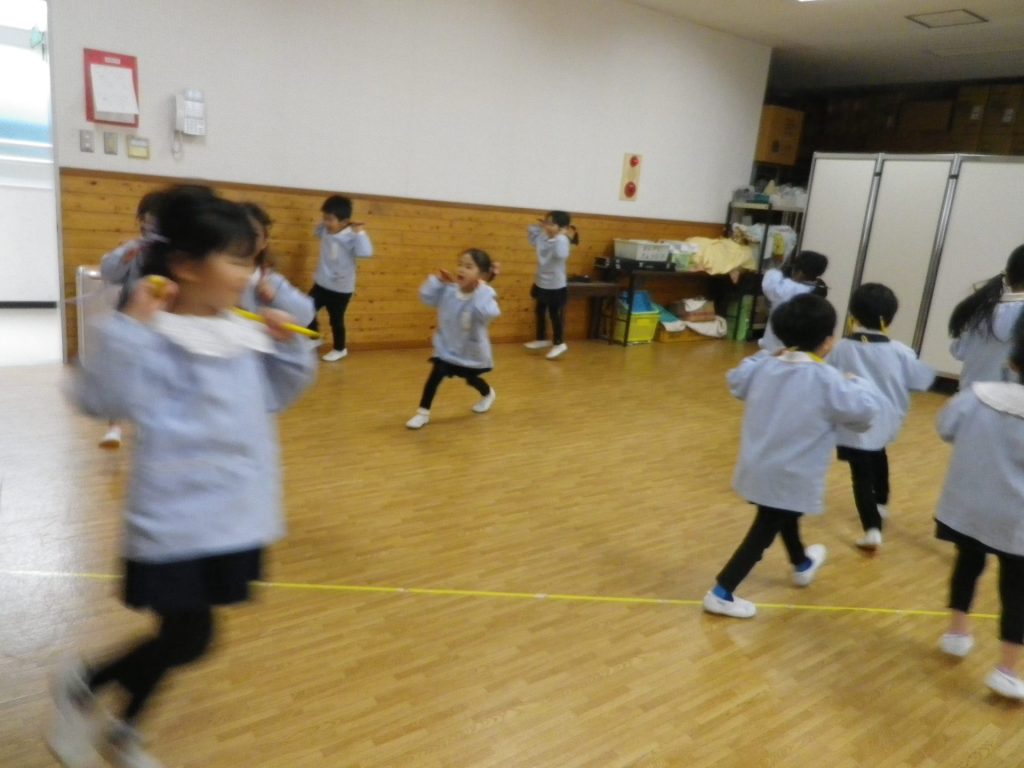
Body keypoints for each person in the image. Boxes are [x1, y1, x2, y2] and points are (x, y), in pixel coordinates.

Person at [48, 187, 317, 768]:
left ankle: (119, 726)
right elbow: (99, 398)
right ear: (188, 266)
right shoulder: (152, 334)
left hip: (233, 518)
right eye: (237, 261)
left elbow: (278, 396)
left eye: (250, 260)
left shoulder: (241, 332)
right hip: (175, 521)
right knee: (190, 638)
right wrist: (132, 328)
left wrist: (287, 348)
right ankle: (87, 687)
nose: (250, 275)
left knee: (183, 640)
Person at [703, 294, 881, 619]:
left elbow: (736, 380)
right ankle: (722, 591)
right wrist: (857, 382)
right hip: (790, 472)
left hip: (760, 465)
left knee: (784, 513)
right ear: (827, 341)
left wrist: (768, 354)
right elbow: (864, 411)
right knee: (766, 527)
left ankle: (801, 564)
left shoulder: (767, 365)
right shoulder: (827, 378)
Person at [934, 310, 1024, 701]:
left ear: (1013, 360)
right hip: (1016, 521)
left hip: (968, 507)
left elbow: (945, 428)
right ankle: (1007, 669)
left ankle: (957, 632)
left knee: (967, 564)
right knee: (1016, 589)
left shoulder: (977, 395)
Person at [827, 283, 935, 550]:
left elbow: (827, 380)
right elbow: (922, 380)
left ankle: (872, 528)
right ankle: (882, 502)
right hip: (887, 422)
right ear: (889, 317)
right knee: (879, 455)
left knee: (861, 475)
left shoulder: (840, 348)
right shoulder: (900, 351)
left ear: (853, 314)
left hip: (854, 424)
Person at [95, 190, 166, 449]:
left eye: (158, 218)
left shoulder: (175, 252)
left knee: (155, 376)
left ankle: (149, 426)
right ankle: (114, 427)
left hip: (163, 323)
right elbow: (109, 271)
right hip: (131, 316)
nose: (152, 224)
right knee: (119, 373)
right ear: (142, 220)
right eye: (148, 218)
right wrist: (128, 253)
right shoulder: (134, 248)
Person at [406, 249, 500, 430]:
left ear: (481, 274)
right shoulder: (449, 291)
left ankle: (488, 393)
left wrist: (482, 289)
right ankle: (423, 413)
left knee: (471, 379)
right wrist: (437, 282)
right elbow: (426, 298)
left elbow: (487, 313)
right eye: (460, 264)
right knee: (435, 375)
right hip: (446, 349)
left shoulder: (485, 295)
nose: (462, 269)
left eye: (469, 266)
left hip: (470, 352)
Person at [307, 195, 373, 362]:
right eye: (324, 218)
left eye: (330, 219)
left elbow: (366, 252)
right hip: (322, 283)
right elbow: (316, 232)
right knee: (306, 308)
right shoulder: (325, 230)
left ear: (344, 222)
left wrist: (360, 233)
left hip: (341, 289)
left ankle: (340, 349)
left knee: (336, 320)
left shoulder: (351, 237)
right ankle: (314, 338)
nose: (326, 222)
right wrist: (326, 222)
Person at [949, 244, 1024, 388]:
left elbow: (958, 351)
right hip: (1011, 399)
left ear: (1008, 278)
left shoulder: (982, 309)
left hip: (970, 396)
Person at [239, 202, 315, 327]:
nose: (247, 240)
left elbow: (307, 315)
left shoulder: (272, 281)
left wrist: (276, 297)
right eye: (240, 233)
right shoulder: (219, 277)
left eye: (254, 235)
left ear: (264, 242)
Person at [524, 211, 577, 360]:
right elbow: (531, 233)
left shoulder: (562, 240)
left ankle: (559, 343)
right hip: (542, 281)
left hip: (556, 284)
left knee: (555, 313)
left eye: (551, 224)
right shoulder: (544, 237)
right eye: (546, 222)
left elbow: (561, 255)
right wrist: (543, 227)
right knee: (539, 310)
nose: (547, 226)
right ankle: (541, 338)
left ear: (562, 227)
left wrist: (559, 236)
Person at [758, 250, 829, 353]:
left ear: (799, 271)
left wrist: (784, 269)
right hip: (800, 352)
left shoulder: (785, 287)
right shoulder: (817, 291)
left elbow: (770, 279)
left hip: (773, 349)